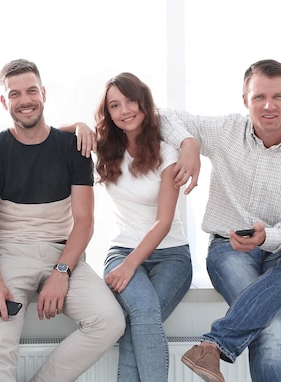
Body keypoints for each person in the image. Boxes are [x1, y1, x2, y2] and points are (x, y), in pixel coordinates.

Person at [161, 59, 281, 382]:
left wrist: (267, 237)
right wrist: (189, 143)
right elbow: (162, 116)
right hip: (228, 250)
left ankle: (213, 344)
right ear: (244, 99)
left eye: (278, 97)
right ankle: (214, 346)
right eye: (259, 96)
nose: (269, 105)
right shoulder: (227, 131)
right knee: (270, 329)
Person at [0, 58, 125, 382]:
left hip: (62, 252)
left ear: (43, 93)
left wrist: (62, 271)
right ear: (4, 101)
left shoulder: (74, 147)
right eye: (14, 94)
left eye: (31, 91)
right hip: (10, 253)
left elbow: (84, 221)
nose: (24, 100)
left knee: (110, 321)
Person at [95, 72, 192, 381]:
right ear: (107, 114)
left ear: (144, 102)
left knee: (140, 320)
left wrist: (129, 267)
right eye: (115, 105)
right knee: (144, 316)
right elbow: (51, 133)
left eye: (130, 100)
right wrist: (81, 127)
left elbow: (164, 222)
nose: (125, 110)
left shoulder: (167, 152)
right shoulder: (104, 149)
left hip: (171, 255)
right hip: (122, 249)